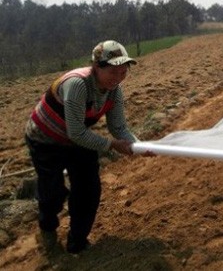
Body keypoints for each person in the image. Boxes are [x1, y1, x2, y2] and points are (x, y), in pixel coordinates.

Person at [25, 40, 147, 254]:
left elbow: (118, 127)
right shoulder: (78, 85)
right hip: (45, 139)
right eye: (113, 71)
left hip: (76, 140)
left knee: (89, 189)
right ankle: (47, 227)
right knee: (53, 192)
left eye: (123, 71)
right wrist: (111, 145)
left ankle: (77, 240)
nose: (119, 77)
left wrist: (139, 146)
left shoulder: (114, 91)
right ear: (96, 67)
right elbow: (77, 132)